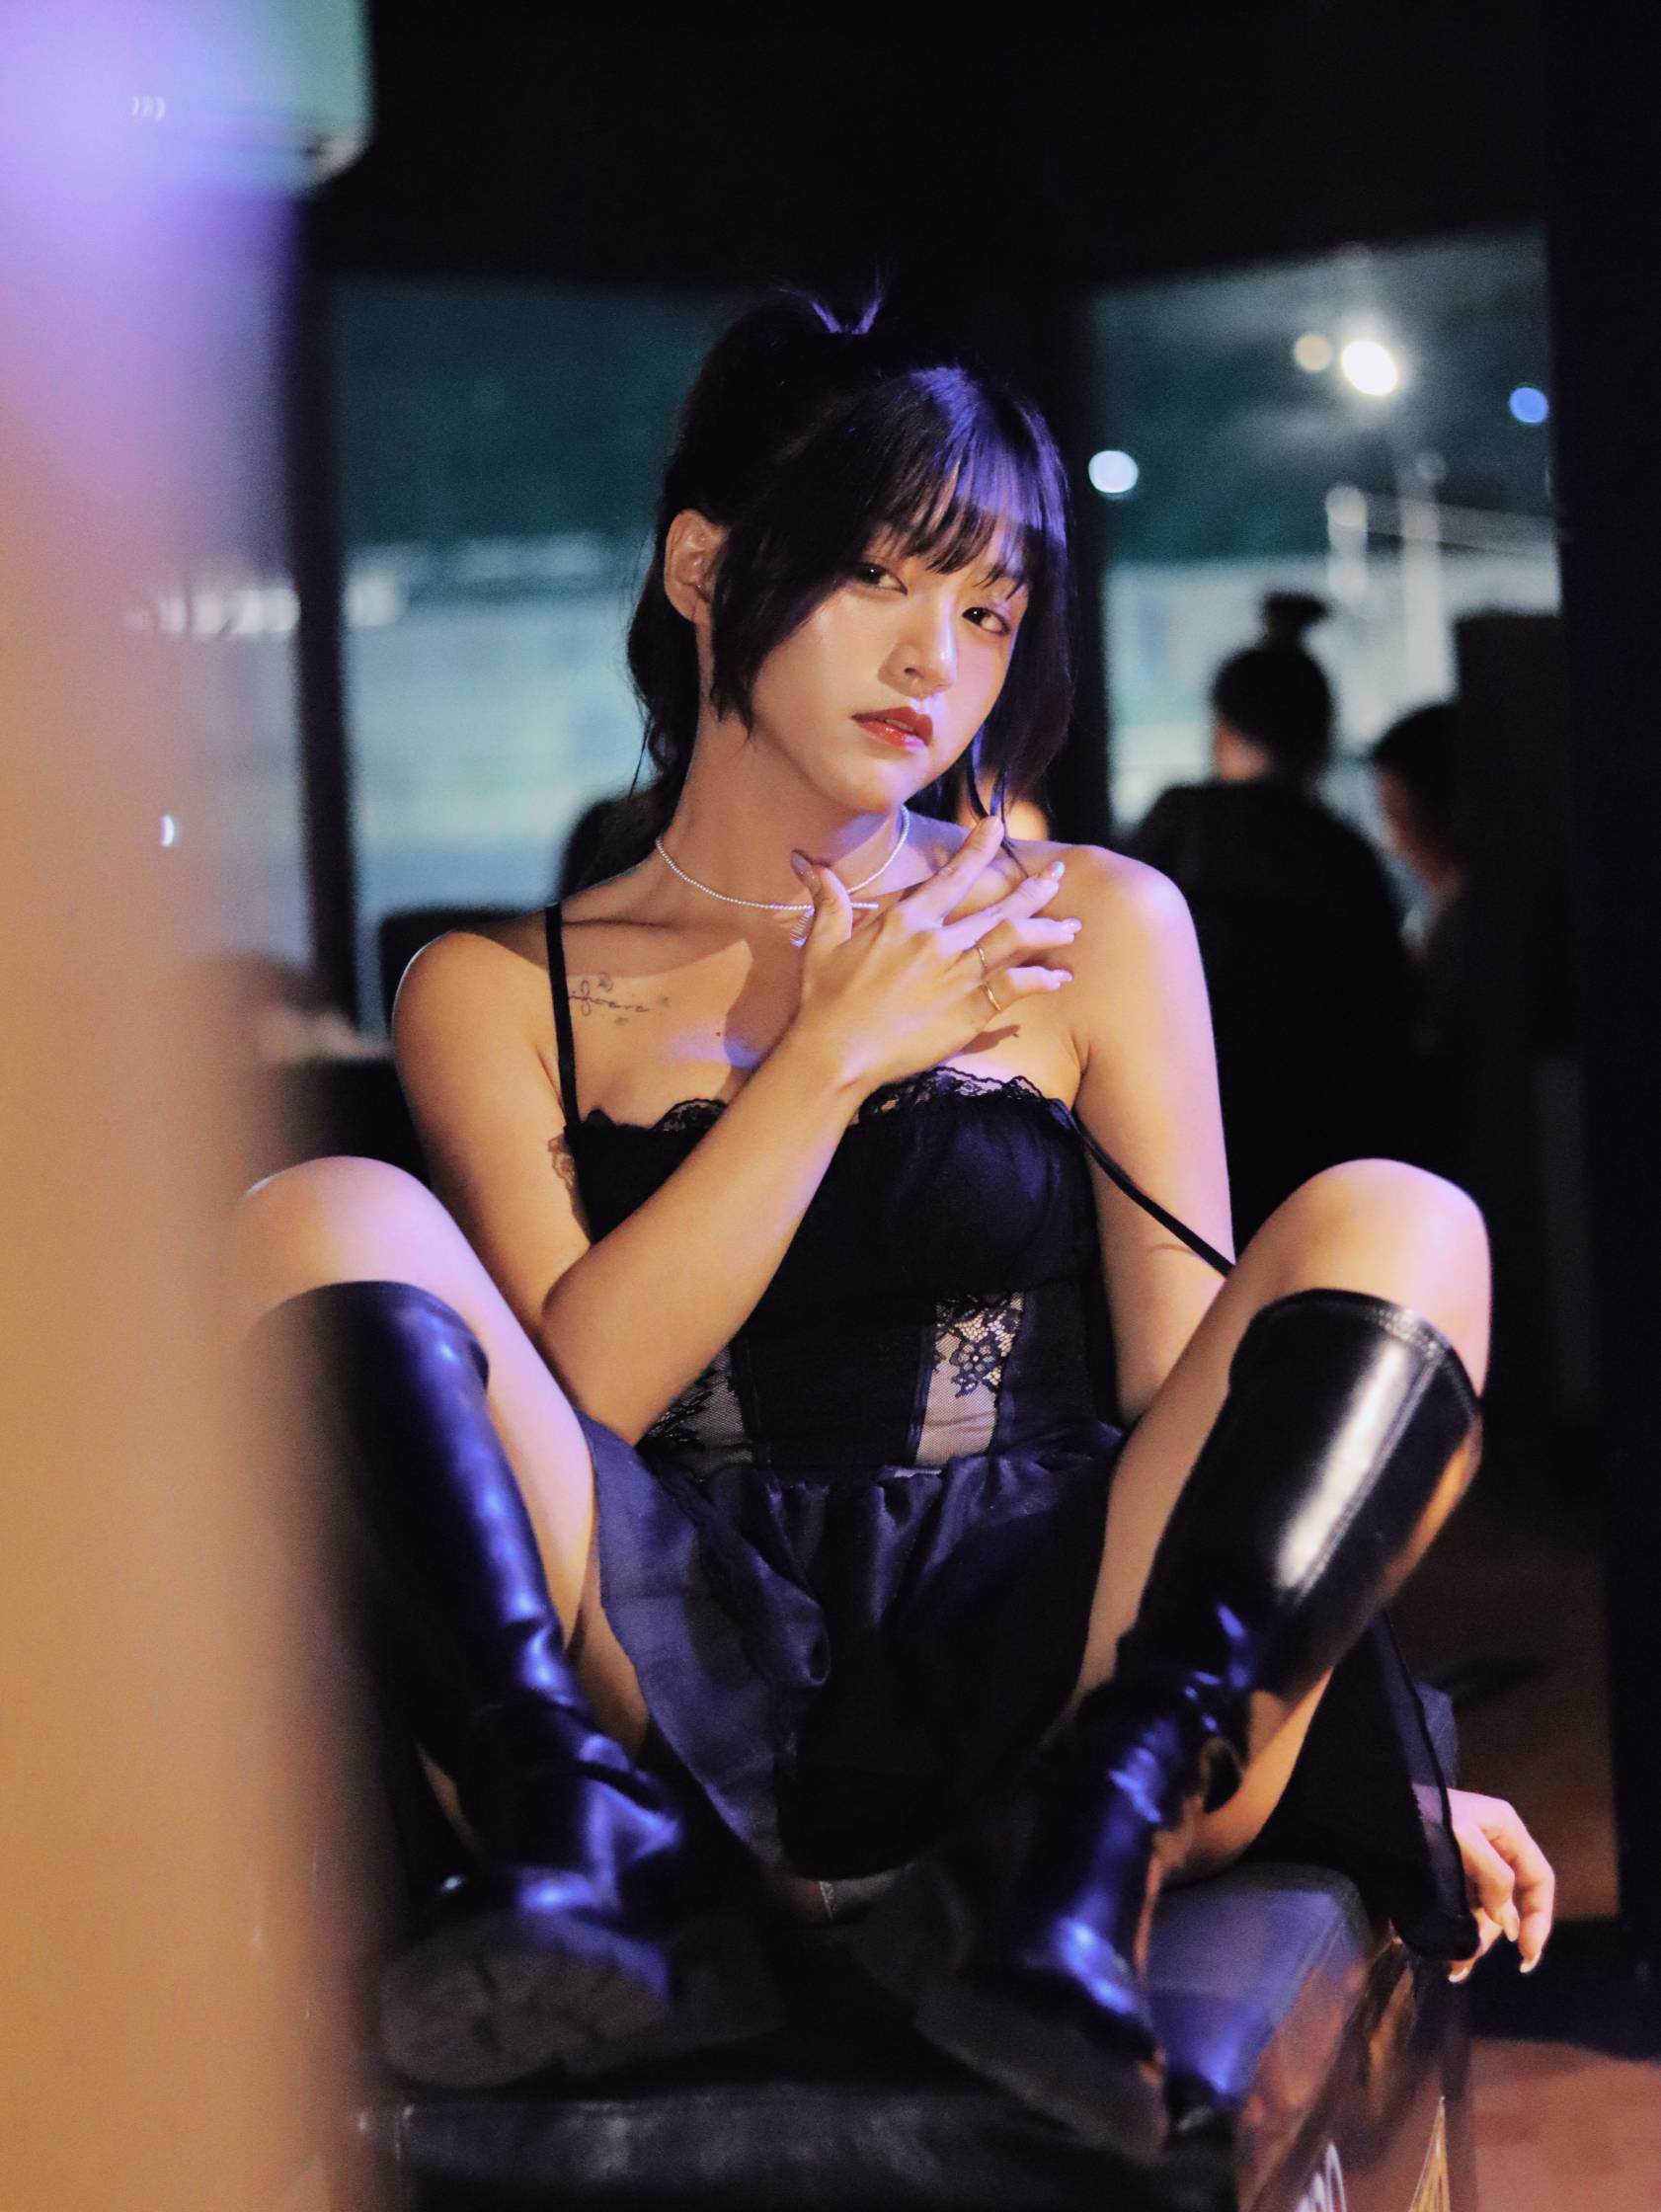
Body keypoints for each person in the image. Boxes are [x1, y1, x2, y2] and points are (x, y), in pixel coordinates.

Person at [224, 290, 1552, 2158]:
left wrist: (1351, 1750)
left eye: (990, 610)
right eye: (876, 578)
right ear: (704, 569)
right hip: (673, 1674)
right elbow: (576, 1402)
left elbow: (1203, 1398)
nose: (937, 658)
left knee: (1400, 1217)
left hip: (1048, 1682)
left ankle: (1089, 1857)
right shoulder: (495, 990)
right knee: (313, 1209)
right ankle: (569, 1835)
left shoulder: (1092, 924)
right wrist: (828, 1061)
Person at [1127, 595, 1422, 1242]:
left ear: (1222, 731)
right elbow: (1388, 1036)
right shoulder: (1343, 856)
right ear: (1321, 740)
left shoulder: (1178, 824)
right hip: (1319, 1163)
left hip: (1177, 1138)